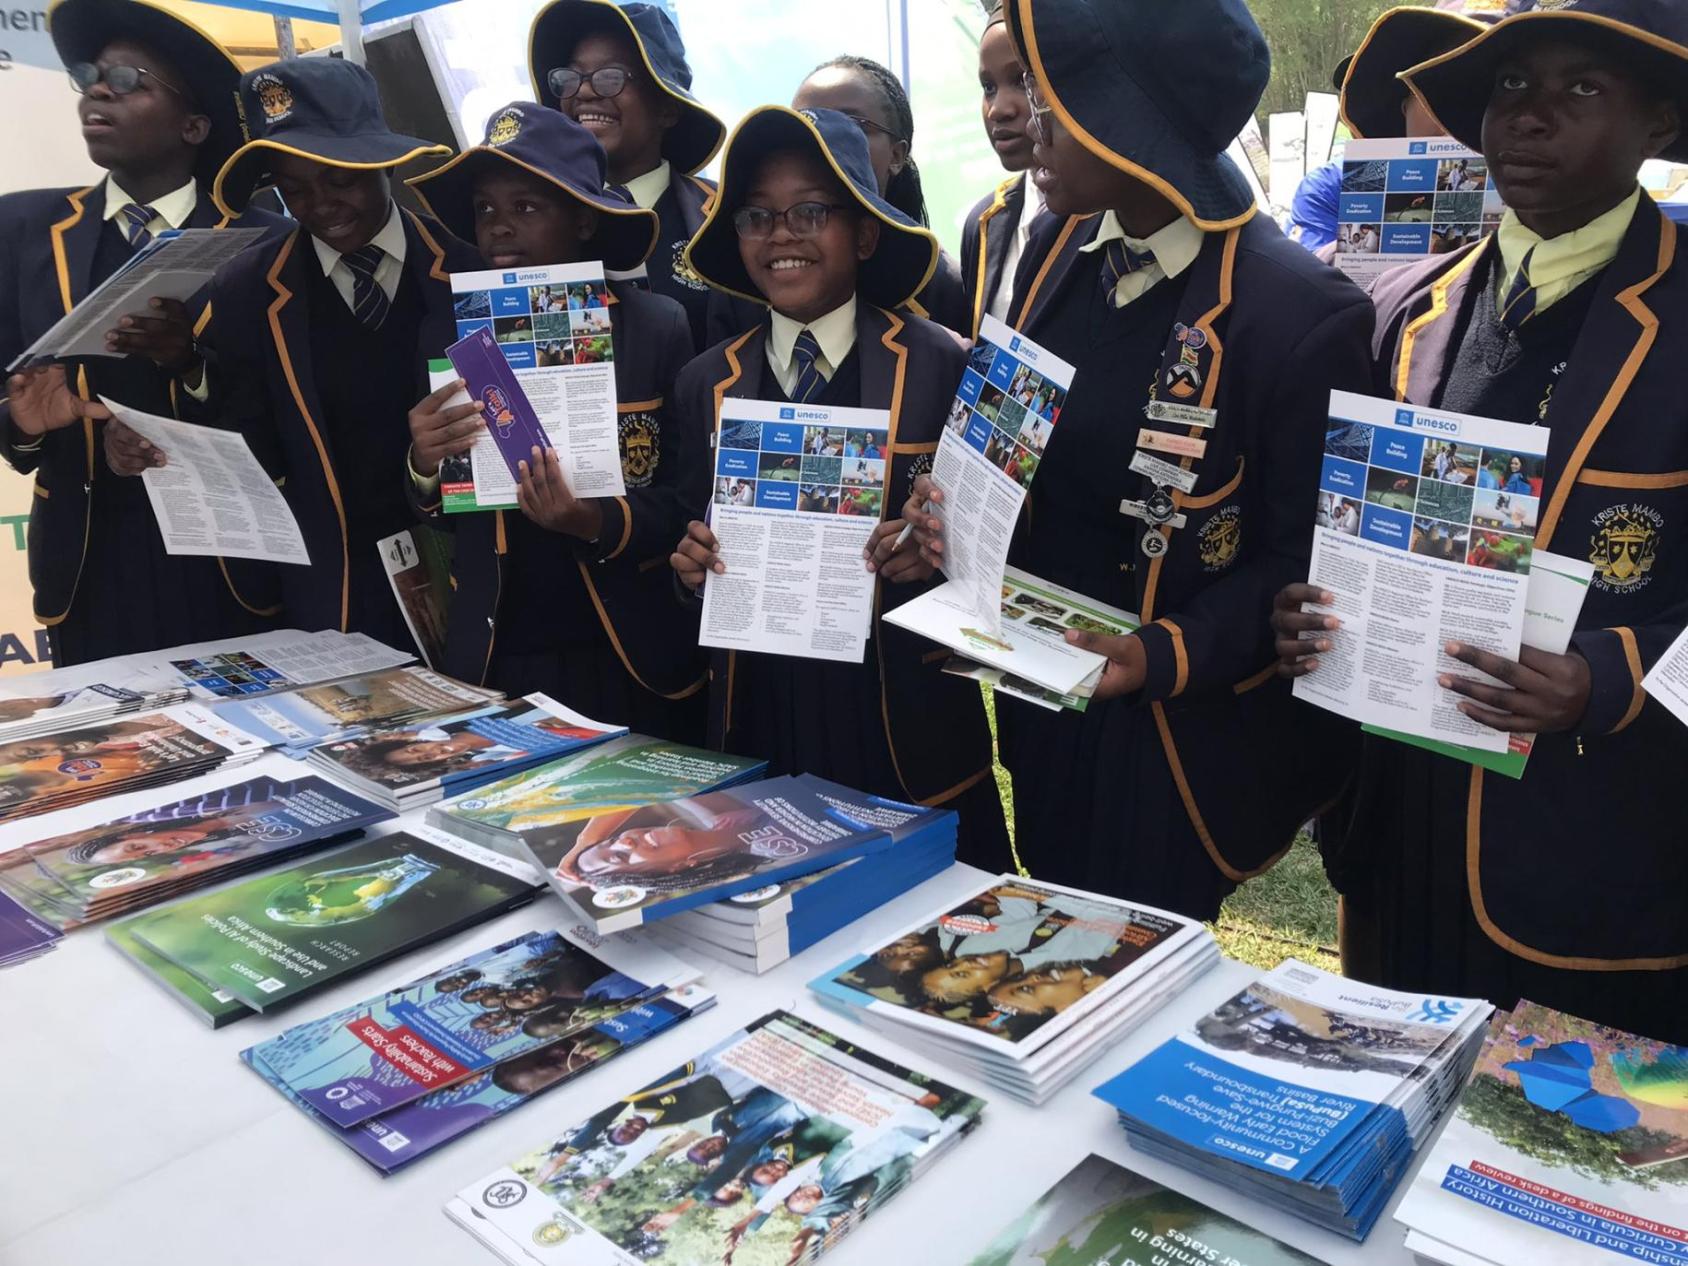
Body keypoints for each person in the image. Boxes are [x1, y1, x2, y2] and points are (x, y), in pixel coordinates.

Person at [901, 0, 1373, 920]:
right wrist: (948, 505)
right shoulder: (1054, 247)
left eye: (1054, 102)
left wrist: (1155, 655)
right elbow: (1009, 435)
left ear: (1133, 128)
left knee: (1133, 964)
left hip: (1175, 734)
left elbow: (1301, 562)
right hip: (1042, 692)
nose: (1025, 124)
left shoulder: (1297, 314)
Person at [1271, 0, 1688, 1043]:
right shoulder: (1413, 310)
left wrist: (1610, 677)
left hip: (1590, 846)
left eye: (1578, 89)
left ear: (1659, 126)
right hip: (1397, 824)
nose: (1527, 119)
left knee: (1543, 1160)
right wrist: (1313, 610)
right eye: (1509, 87)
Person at [668, 105, 1008, 860]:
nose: (781, 233)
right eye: (757, 215)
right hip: (761, 713)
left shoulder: (943, 363)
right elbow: (688, 537)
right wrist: (692, 570)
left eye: (809, 212)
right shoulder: (705, 382)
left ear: (862, 232)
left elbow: (1003, 550)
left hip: (902, 721)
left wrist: (940, 552)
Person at [0, 0, 288, 665]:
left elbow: (290, 407)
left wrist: (193, 370)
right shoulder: (23, 232)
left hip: (230, 568)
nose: (99, 88)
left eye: (129, 79)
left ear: (193, 125)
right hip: (89, 566)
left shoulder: (266, 242)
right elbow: (10, 409)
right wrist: (29, 424)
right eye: (90, 75)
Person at [404, 103, 705, 740]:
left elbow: (684, 501)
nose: (500, 229)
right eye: (486, 210)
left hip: (627, 649)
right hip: (497, 650)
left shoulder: (654, 327)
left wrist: (591, 520)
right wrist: (424, 467)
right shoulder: (452, 330)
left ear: (585, 219)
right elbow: (444, 509)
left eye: (528, 208)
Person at [170, 59, 465, 650]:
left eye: (338, 179)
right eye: (294, 188)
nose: (321, 205)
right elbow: (245, 439)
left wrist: (428, 474)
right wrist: (187, 370)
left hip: (473, 584)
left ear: (382, 163)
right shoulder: (247, 289)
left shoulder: (471, 268)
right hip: (333, 595)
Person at [528, 0, 759, 351]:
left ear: (668, 108)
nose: (585, 91)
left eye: (610, 77)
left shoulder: (729, 219)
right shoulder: (525, 217)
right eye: (570, 78)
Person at [1287, 2, 1492, 253]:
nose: (1455, 115)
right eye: (1442, 92)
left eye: (1485, 94)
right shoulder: (1329, 189)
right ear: (1404, 105)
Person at [793, 56, 970, 335]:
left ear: (897, 155)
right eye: (806, 125)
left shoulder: (945, 290)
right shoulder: (760, 272)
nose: (824, 141)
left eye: (852, 124)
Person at [958, 0, 1050, 336]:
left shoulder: (1108, 217)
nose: (998, 110)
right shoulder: (985, 223)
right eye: (988, 87)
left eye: (1023, 80)